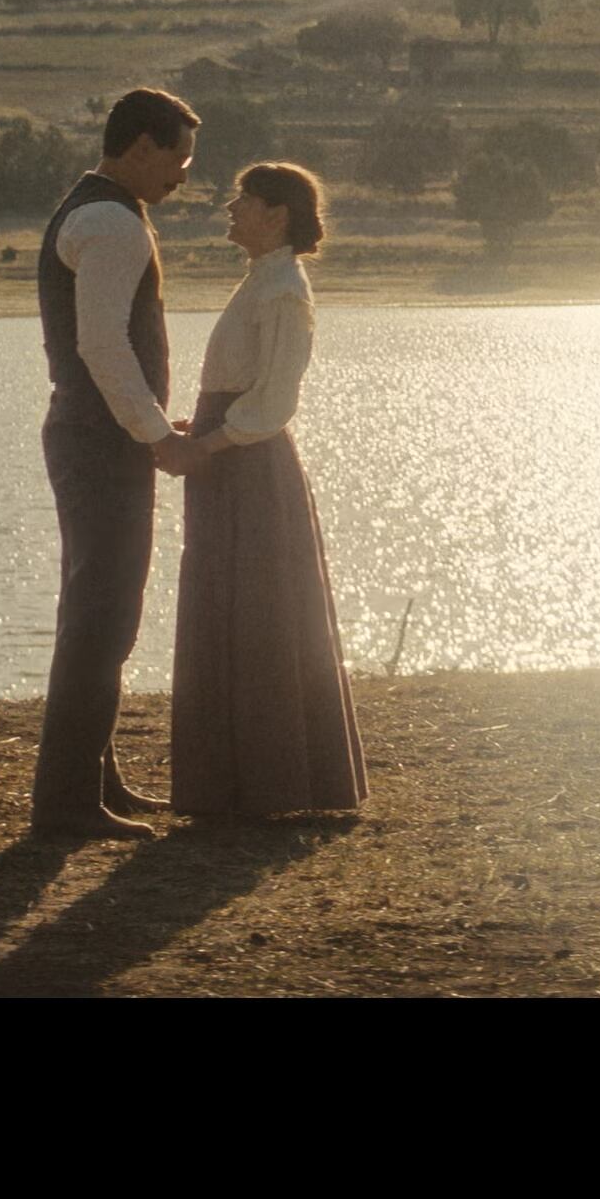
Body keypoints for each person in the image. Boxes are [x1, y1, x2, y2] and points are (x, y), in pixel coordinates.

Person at [165, 161, 368, 820]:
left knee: (260, 615)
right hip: (232, 458)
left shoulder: (283, 289)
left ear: (277, 215)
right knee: (235, 609)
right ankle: (237, 785)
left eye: (243, 201)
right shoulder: (263, 281)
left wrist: (211, 443)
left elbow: (274, 399)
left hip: (248, 467)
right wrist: (205, 429)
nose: (230, 209)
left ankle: (273, 783)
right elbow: (244, 387)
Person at [29, 87, 200, 838]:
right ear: (139, 147)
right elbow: (103, 345)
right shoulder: (112, 223)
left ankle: (95, 778)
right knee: (104, 616)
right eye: (178, 156)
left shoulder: (93, 209)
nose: (185, 175)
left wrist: (151, 424)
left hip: (91, 435)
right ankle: (66, 803)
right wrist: (155, 433)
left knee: (99, 612)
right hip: (101, 441)